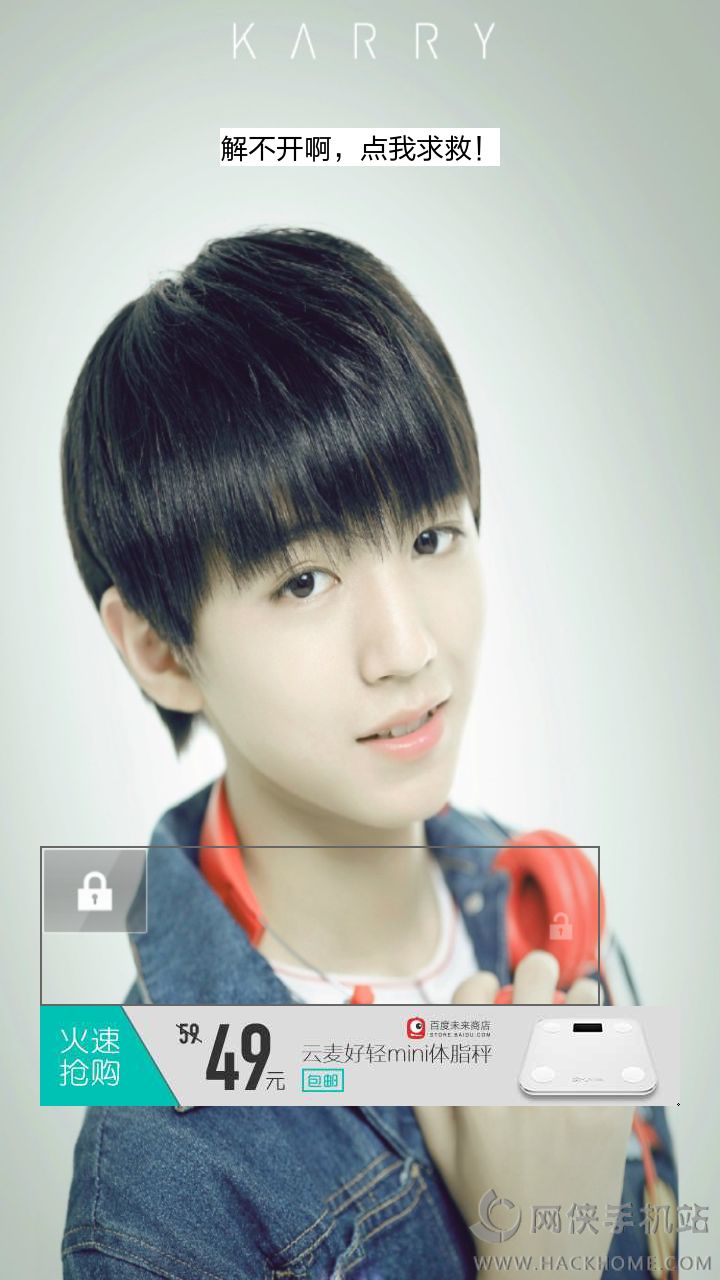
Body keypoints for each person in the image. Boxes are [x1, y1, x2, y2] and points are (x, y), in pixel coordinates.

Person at [60, 228, 677, 1278]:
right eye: (303, 581)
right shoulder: (158, 1175)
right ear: (161, 650)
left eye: (433, 537)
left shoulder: (552, 911)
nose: (407, 649)